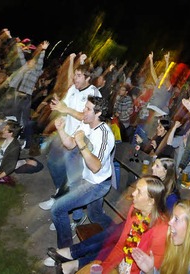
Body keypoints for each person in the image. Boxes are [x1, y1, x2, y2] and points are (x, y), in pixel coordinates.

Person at [47, 175, 169, 274]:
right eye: (135, 189)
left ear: (151, 201)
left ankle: (73, 260)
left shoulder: (161, 229)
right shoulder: (134, 210)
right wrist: (106, 267)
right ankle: (72, 259)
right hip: (119, 265)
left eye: (139, 192)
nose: (133, 194)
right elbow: (121, 245)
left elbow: (153, 267)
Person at [39, 54, 101, 211]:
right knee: (53, 162)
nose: (75, 78)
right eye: (75, 75)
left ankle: (66, 209)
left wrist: (66, 109)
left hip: (81, 139)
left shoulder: (94, 94)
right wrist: (59, 106)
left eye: (79, 76)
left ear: (88, 78)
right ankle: (61, 192)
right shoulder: (73, 89)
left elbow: (87, 117)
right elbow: (65, 105)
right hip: (65, 134)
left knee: (72, 177)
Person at [51, 96, 114, 248]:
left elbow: (95, 167)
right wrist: (61, 130)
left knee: (57, 210)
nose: (83, 111)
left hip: (98, 184)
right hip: (88, 179)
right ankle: (116, 233)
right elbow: (69, 144)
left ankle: (65, 251)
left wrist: (81, 143)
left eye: (87, 109)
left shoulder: (105, 135)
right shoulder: (86, 124)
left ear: (98, 114)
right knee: (95, 215)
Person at [132, 200, 190, 274]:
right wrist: (150, 271)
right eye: (172, 217)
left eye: (176, 219)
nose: (170, 222)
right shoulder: (178, 246)